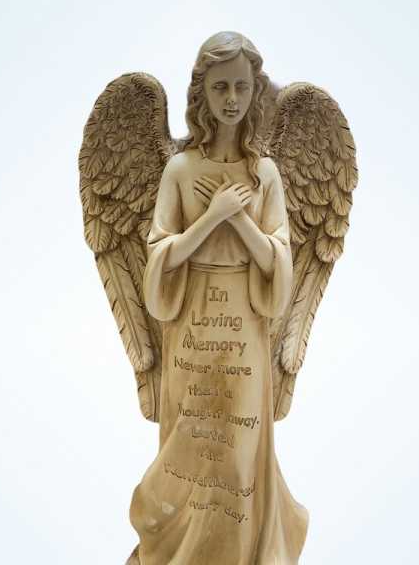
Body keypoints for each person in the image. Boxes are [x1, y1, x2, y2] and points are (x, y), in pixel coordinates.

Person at [129, 31, 308, 565]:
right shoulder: (180, 170)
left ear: (256, 90)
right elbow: (160, 259)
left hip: (245, 333)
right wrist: (211, 218)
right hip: (191, 330)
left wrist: (239, 219)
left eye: (241, 87)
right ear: (201, 94)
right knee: (188, 449)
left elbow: (278, 263)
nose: (232, 99)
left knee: (237, 456)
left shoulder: (266, 174)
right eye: (220, 87)